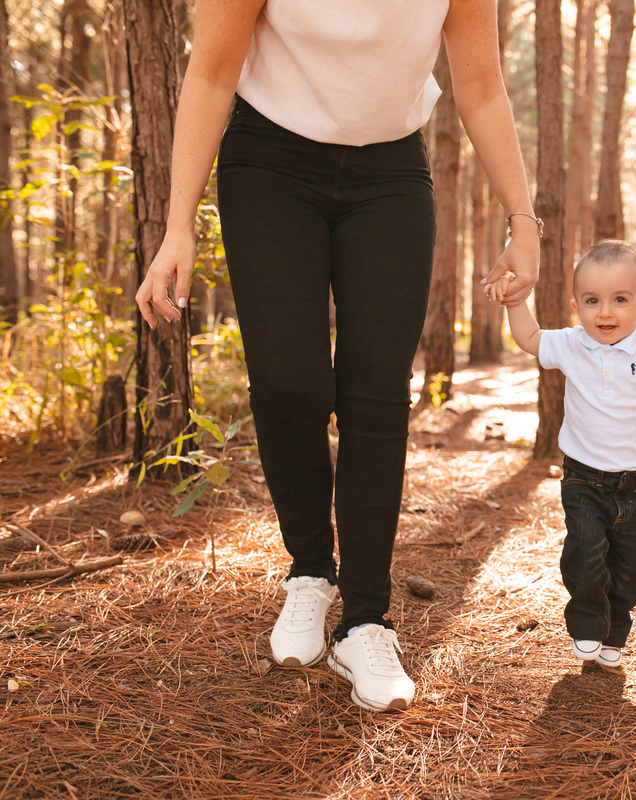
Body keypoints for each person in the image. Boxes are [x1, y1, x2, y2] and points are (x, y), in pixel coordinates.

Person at [134, 0, 539, 713]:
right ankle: (310, 573)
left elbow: (480, 84)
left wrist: (522, 219)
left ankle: (366, 619)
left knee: (376, 395)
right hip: (270, 164)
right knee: (289, 386)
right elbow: (213, 69)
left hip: (389, 177)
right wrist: (177, 228)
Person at [496, 240, 636, 667]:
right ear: (576, 306)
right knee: (586, 555)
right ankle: (586, 619)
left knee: (635, 568)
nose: (605, 312)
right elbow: (529, 337)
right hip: (583, 479)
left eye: (620, 300)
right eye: (592, 301)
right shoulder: (570, 344)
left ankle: (614, 624)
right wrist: (516, 300)